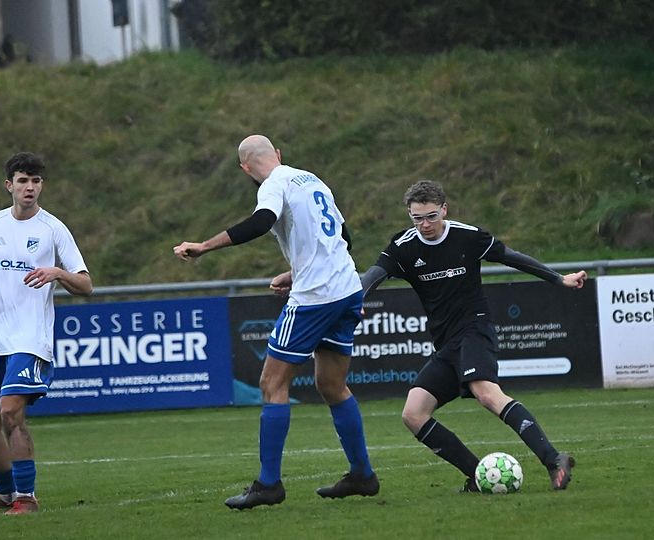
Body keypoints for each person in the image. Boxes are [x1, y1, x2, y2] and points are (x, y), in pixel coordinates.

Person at [173, 135, 378, 509]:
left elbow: (261, 221)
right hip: (347, 289)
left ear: (245, 168)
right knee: (332, 385)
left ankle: (268, 484)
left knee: (272, 383)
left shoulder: (273, 184)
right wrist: (295, 272)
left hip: (315, 297)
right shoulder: (312, 179)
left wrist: (204, 246)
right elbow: (342, 239)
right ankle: (362, 474)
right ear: (279, 154)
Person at [359, 180, 587, 492]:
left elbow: (512, 257)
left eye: (431, 216)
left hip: (474, 330)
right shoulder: (403, 246)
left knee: (487, 393)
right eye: (417, 218)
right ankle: (478, 476)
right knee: (413, 414)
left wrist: (559, 279)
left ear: (444, 209)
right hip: (446, 344)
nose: (425, 225)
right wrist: (355, 301)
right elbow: (373, 275)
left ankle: (553, 459)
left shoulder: (467, 236)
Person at [0, 152, 93, 515]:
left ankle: (26, 498)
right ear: (9, 185)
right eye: (23, 181)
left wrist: (57, 273)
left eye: (35, 181)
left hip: (31, 339)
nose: (29, 187)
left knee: (10, 412)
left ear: (41, 185)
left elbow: (86, 284)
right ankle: (4, 496)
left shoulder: (53, 229)